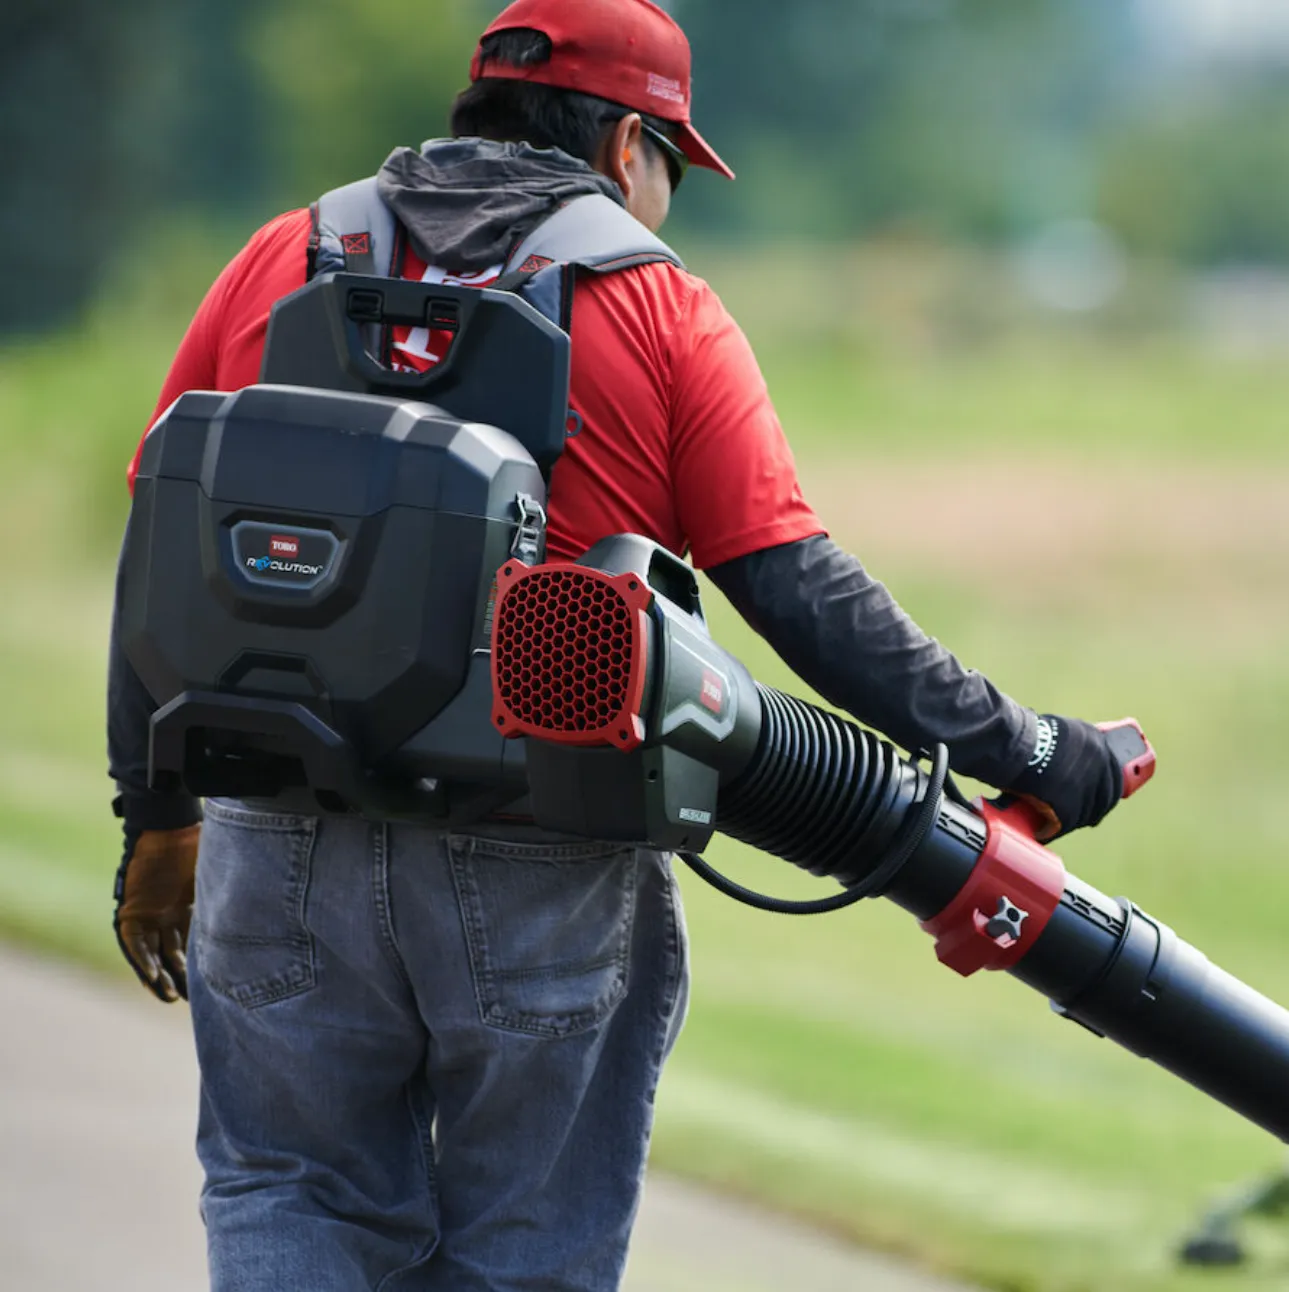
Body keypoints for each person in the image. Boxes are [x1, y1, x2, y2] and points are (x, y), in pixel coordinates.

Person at [108, 1, 1127, 1287]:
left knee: (287, 1191)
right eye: (669, 168)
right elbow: (793, 588)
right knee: (521, 1254)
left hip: (277, 833)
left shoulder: (280, 255)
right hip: (543, 847)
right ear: (625, 145)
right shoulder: (657, 308)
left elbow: (162, 546)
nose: (664, 199)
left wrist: (157, 815)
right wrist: (1033, 747)